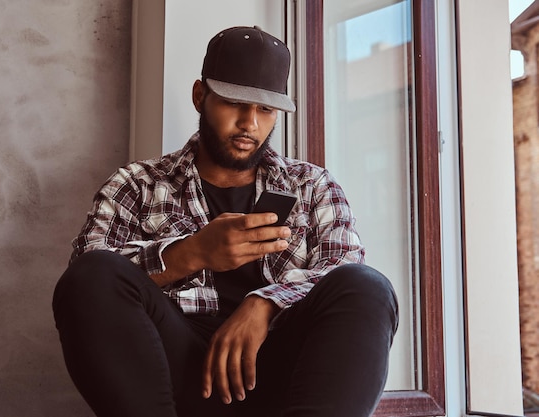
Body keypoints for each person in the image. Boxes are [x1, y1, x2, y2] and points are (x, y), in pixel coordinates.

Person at [53, 25, 398, 417]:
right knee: (92, 276)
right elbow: (85, 277)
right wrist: (191, 253)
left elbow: (345, 266)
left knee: (368, 286)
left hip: (281, 375)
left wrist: (264, 304)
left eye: (265, 109)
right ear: (201, 96)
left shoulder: (311, 185)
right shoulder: (137, 184)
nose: (250, 123)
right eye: (235, 102)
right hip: (172, 372)